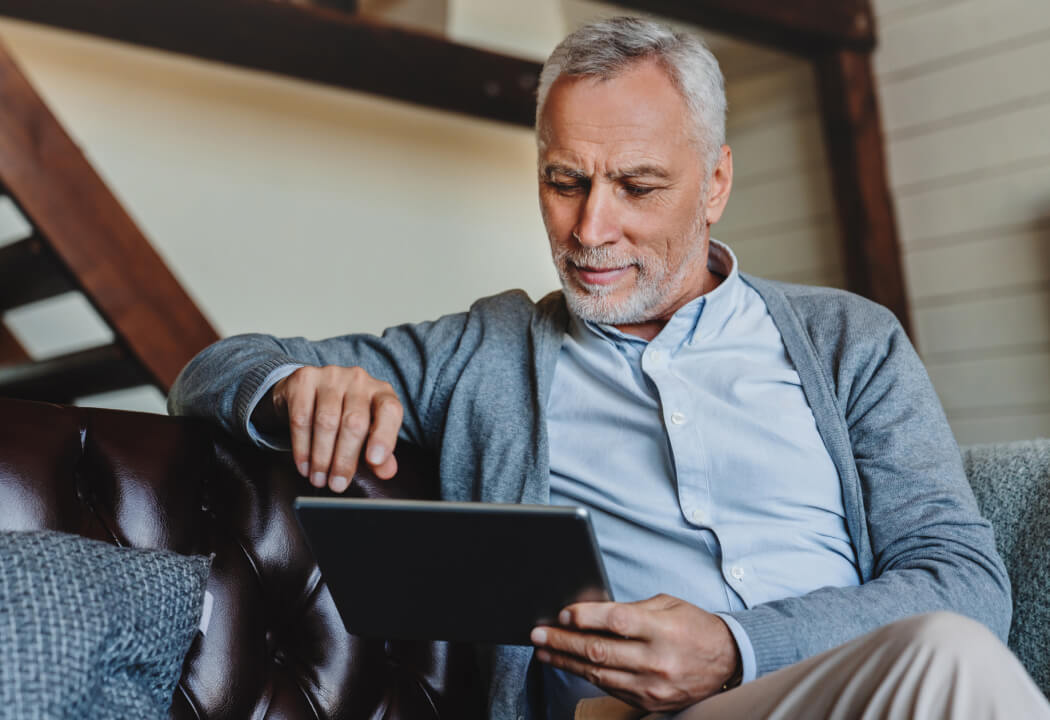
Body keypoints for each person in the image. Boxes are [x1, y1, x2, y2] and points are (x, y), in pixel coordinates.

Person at [169, 16, 1050, 720]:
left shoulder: (850, 341)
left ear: (715, 183)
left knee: (954, 654)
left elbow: (963, 583)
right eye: (563, 181)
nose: (590, 232)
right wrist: (291, 386)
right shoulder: (485, 350)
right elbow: (211, 369)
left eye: (636, 186)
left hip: (854, 691)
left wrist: (739, 647)